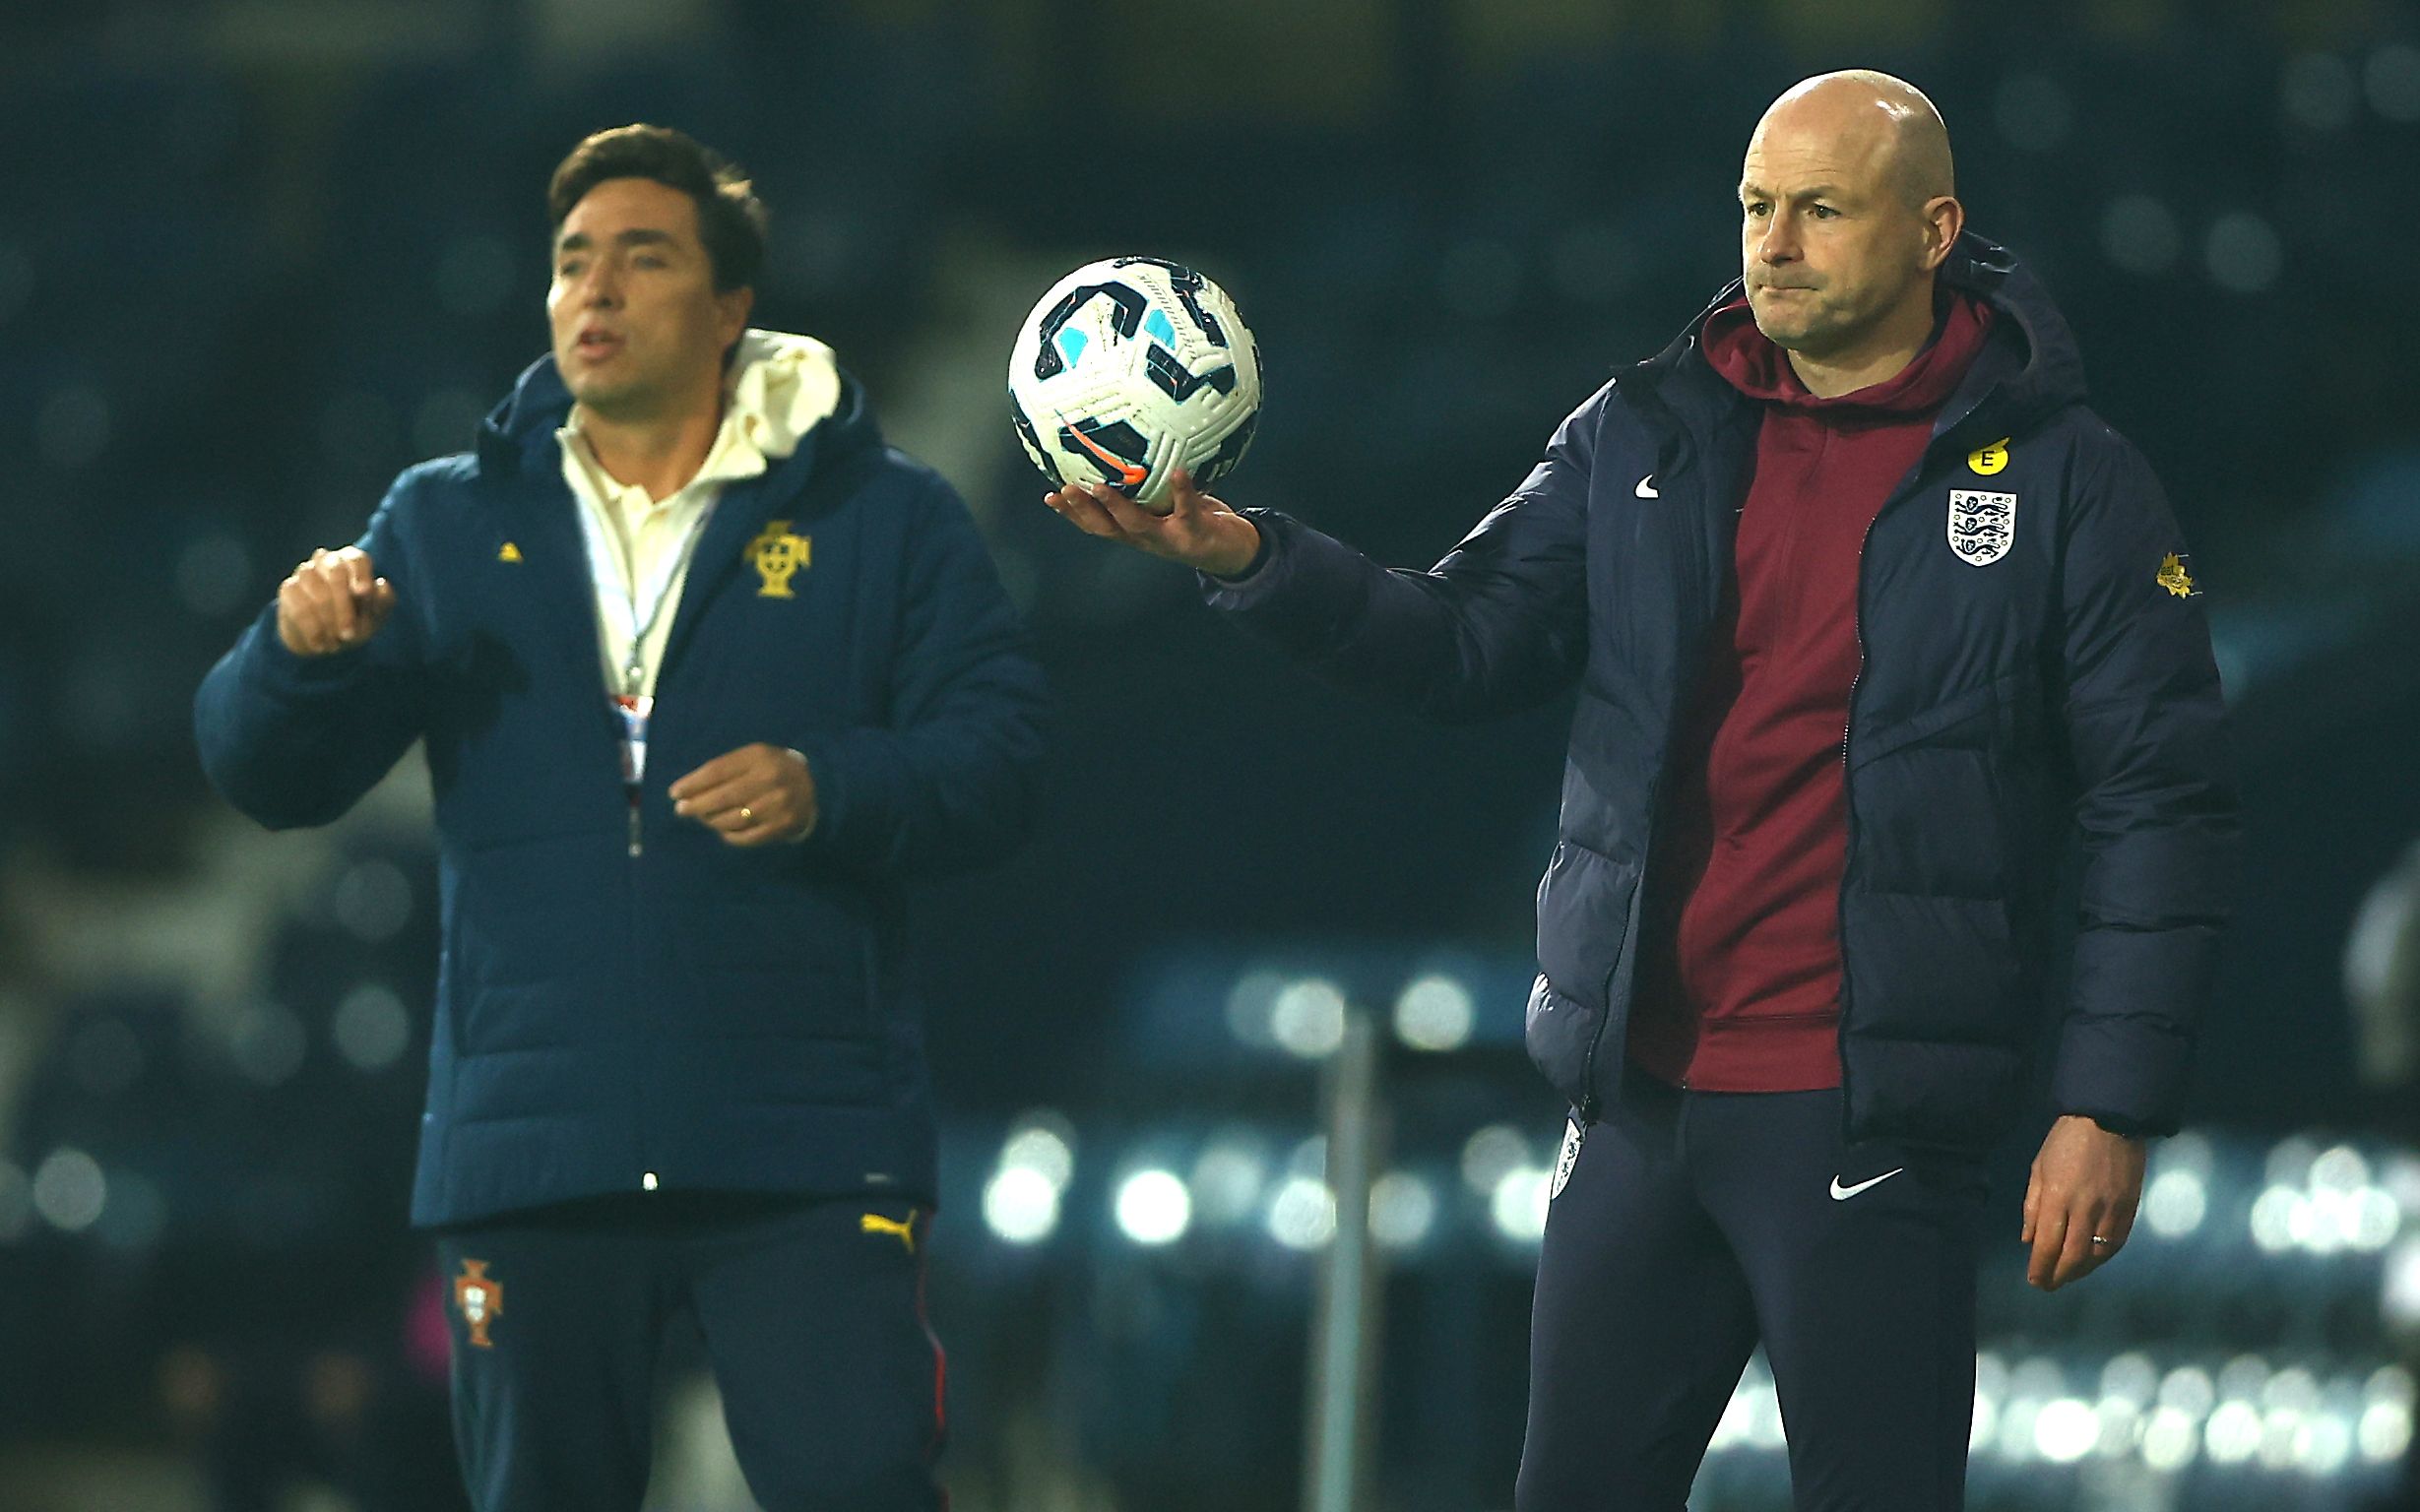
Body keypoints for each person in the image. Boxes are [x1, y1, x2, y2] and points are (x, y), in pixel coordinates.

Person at [1043, 71, 2239, 1509]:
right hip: (1638, 1113)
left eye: (1817, 210)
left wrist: (2105, 1104)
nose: (1772, 244)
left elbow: (2154, 802)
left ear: (1932, 233)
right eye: (1753, 207)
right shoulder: (1639, 433)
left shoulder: (2067, 482)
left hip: (1863, 1119)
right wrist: (1249, 559)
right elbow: (1467, 638)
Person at [196, 124, 1047, 1511]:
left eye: (641, 259)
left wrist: (834, 787)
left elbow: (1004, 759)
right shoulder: (444, 524)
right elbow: (264, 778)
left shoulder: (889, 521)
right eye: (571, 262)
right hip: (538, 1157)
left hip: (806, 1153)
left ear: (728, 310)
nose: (593, 289)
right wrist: (294, 660)